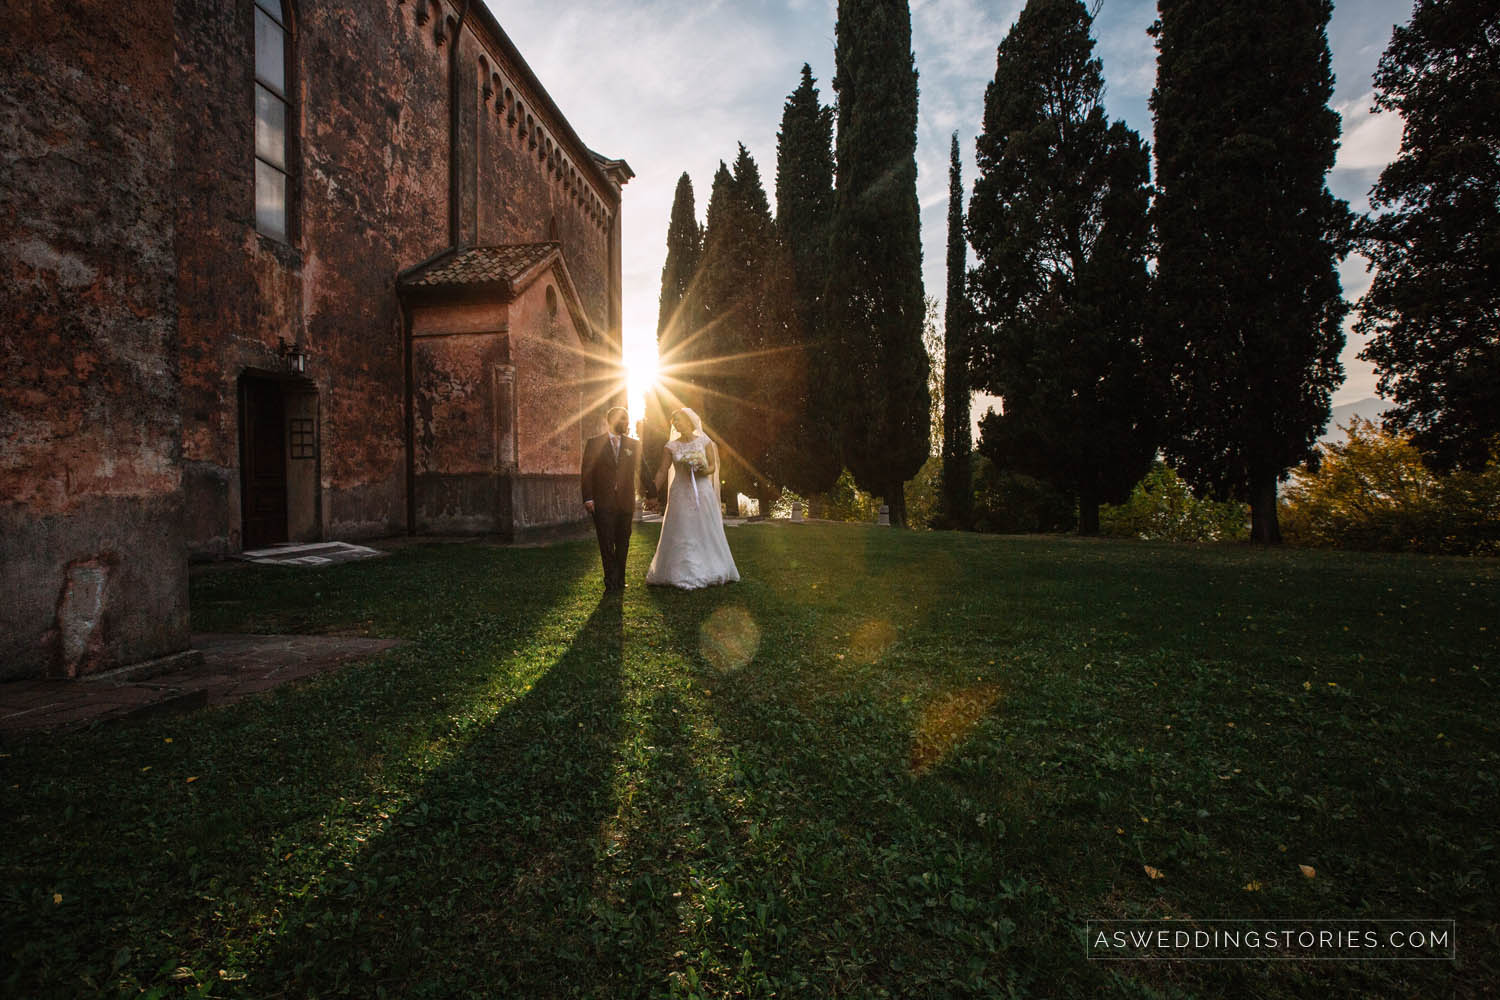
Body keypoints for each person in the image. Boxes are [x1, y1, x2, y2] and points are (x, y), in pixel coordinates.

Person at [645, 407, 739, 589]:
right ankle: (678, 570)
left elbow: (712, 466)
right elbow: (662, 471)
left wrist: (703, 469)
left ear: (689, 421)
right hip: (680, 491)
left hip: (702, 490)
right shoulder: (670, 446)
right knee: (682, 527)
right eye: (674, 422)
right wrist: (652, 493)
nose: (676, 424)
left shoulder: (705, 442)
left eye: (678, 420)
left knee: (704, 527)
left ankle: (711, 566)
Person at [580, 406, 639, 592]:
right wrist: (588, 497)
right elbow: (586, 472)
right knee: (606, 543)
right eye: (622, 419)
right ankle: (610, 581)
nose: (626, 423)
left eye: (627, 419)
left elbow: (642, 469)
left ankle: (620, 579)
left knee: (623, 543)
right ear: (610, 420)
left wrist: (653, 493)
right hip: (602, 502)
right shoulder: (594, 443)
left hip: (625, 502)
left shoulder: (634, 445)